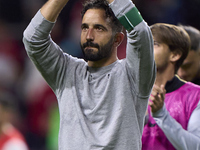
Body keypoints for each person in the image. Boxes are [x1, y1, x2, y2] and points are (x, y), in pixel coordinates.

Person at [23, 0, 156, 149]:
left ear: (117, 39)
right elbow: (32, 39)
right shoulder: (66, 72)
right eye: (85, 27)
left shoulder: (133, 75)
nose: (89, 36)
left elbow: (140, 32)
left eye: (99, 28)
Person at [142, 23, 200, 150]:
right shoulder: (130, 92)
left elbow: (196, 146)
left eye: (155, 44)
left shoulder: (195, 96)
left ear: (175, 55)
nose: (146, 48)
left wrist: (161, 115)